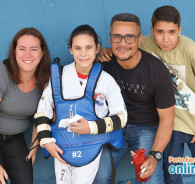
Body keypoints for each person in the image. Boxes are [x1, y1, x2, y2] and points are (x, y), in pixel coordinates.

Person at [34, 24, 127, 184]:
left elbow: (122, 117)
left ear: (97, 48)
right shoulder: (58, 77)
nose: (83, 54)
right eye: (78, 48)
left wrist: (91, 127)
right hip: (62, 146)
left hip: (90, 146)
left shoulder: (105, 80)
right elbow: (42, 112)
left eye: (88, 47)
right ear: (70, 49)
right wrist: (46, 142)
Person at [94, 13, 175, 184]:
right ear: (110, 38)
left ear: (140, 39)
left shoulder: (157, 71)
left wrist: (154, 155)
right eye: (117, 37)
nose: (123, 43)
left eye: (129, 37)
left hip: (145, 127)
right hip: (113, 126)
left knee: (151, 179)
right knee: (99, 176)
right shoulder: (102, 64)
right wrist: (96, 53)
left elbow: (167, 119)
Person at [140, 5, 195, 184]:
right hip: (170, 122)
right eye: (160, 32)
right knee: (172, 175)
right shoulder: (145, 44)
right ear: (151, 30)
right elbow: (124, 51)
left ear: (179, 30)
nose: (165, 39)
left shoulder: (191, 50)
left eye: (172, 32)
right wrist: (104, 52)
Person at [0, 27, 50, 184]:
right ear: (14, 52)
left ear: (42, 53)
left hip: (14, 140)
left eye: (33, 49)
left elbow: (40, 115)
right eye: (22, 49)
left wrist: (34, 146)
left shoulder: (45, 79)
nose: (27, 55)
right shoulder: (3, 73)